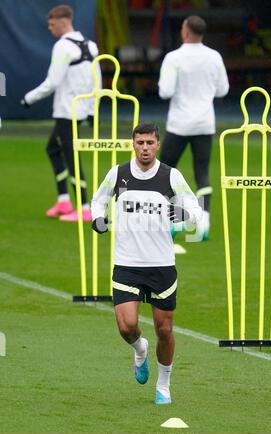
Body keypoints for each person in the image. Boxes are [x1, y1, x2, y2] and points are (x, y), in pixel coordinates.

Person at [91, 123, 202, 404]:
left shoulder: (170, 176)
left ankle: (163, 384)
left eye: (150, 143)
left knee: (164, 329)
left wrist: (184, 213)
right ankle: (140, 349)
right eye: (140, 142)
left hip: (161, 265)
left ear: (157, 144)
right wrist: (97, 219)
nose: (144, 148)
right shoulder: (118, 173)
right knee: (127, 327)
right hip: (126, 263)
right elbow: (99, 199)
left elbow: (195, 208)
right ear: (133, 143)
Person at [21, 4, 101, 222]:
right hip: (81, 110)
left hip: (67, 111)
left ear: (63, 22)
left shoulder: (62, 47)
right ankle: (64, 200)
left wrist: (29, 98)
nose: (50, 28)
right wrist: (93, 109)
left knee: (71, 157)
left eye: (51, 24)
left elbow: (52, 82)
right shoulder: (91, 46)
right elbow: (98, 80)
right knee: (53, 149)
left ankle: (84, 207)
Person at [158, 15, 229, 239]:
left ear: (186, 32)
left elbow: (165, 91)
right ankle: (204, 222)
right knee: (202, 173)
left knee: (166, 172)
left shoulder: (173, 58)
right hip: (204, 123)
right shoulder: (214, 56)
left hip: (179, 124)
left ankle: (176, 220)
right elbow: (223, 90)